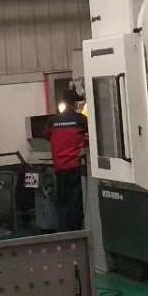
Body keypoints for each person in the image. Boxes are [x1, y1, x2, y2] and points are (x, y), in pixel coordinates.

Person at [46, 89, 88, 231]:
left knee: (62, 200)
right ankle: (77, 229)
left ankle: (64, 230)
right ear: (75, 104)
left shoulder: (52, 121)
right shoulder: (81, 120)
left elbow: (47, 135)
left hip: (60, 167)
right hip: (75, 166)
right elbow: (91, 135)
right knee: (76, 200)